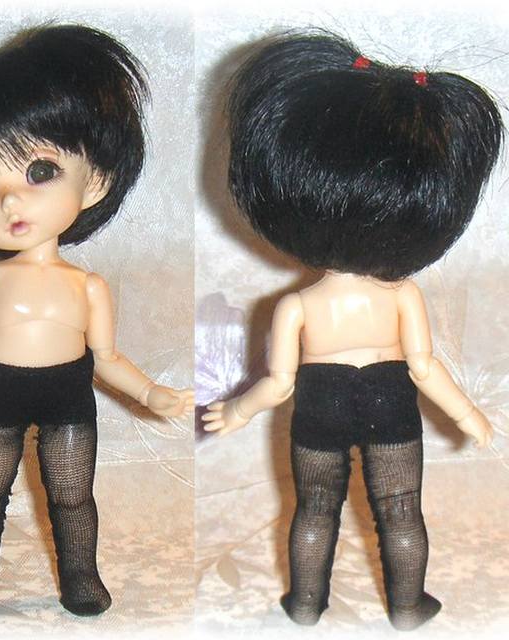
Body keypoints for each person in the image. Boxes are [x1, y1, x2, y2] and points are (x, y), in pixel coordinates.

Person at [0, 24, 193, 618]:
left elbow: (106, 357)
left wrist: (149, 391)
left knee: (72, 495)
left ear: (93, 180)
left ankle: (81, 576)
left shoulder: (88, 286)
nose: (11, 202)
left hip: (67, 395)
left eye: (39, 171)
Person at [203, 31, 502, 631]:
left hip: (322, 402)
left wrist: (237, 410)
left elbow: (279, 383)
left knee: (314, 509)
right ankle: (407, 606)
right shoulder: (402, 294)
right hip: (390, 396)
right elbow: (423, 367)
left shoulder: (297, 304)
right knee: (400, 510)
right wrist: (466, 413)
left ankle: (305, 604)